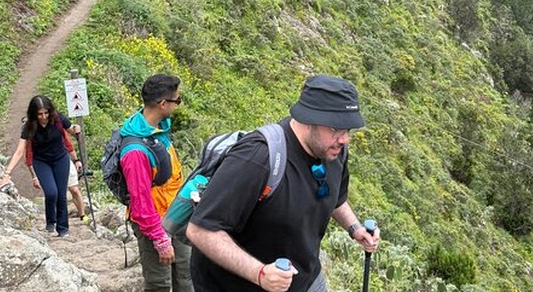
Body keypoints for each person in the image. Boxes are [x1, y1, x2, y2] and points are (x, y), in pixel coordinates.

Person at [187, 74, 381, 292]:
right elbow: (200, 230)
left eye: (348, 130)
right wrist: (260, 273)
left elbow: (335, 198)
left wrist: (355, 228)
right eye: (336, 129)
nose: (345, 139)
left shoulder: (334, 152)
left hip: (306, 279)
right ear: (309, 120)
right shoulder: (257, 158)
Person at [121, 74, 191, 292]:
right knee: (160, 284)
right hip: (154, 223)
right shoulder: (135, 152)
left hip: (175, 214)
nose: (177, 105)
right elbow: (140, 202)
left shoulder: (158, 130)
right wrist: (160, 239)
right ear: (162, 103)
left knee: (186, 276)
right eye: (177, 100)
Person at [0, 95, 82, 238]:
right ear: (34, 114)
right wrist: (7, 173)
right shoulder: (29, 126)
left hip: (60, 159)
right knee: (51, 192)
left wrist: (76, 128)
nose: (43, 117)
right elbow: (19, 151)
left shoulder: (58, 119)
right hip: (41, 162)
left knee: (61, 194)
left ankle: (63, 228)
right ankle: (51, 221)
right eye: (40, 114)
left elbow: (71, 131)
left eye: (46, 113)